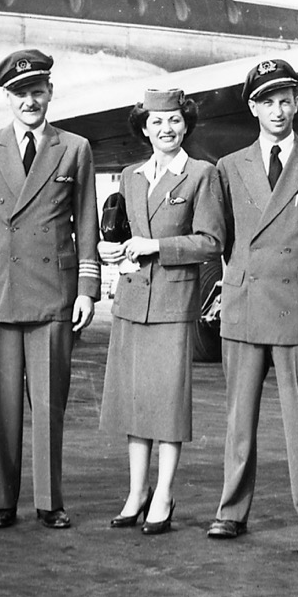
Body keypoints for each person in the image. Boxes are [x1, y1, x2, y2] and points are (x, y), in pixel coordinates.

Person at [0, 49, 100, 529]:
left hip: (53, 295)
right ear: (7, 98)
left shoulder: (74, 147)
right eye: (21, 93)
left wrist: (86, 289)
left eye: (38, 91)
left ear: (51, 93)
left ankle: (50, 502)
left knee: (50, 405)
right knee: (2, 405)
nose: (30, 101)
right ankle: (2, 500)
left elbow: (87, 225)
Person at [207, 58, 298, 544]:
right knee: (238, 419)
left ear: (297, 102)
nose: (278, 109)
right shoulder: (228, 167)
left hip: (297, 306)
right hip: (245, 306)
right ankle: (231, 510)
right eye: (267, 101)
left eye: (285, 99)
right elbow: (219, 239)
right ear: (252, 108)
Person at [98, 89, 223, 535]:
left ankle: (164, 494)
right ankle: (136, 492)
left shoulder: (201, 174)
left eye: (173, 120)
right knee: (134, 403)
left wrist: (157, 246)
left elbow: (211, 242)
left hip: (173, 302)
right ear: (144, 128)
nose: (165, 129)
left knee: (167, 403)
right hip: (132, 301)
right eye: (156, 122)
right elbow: (127, 232)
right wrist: (111, 251)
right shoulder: (131, 176)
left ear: (185, 125)